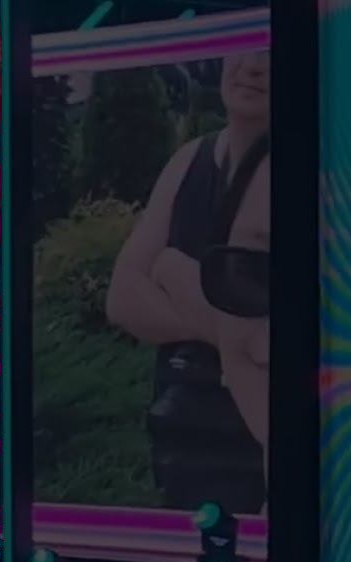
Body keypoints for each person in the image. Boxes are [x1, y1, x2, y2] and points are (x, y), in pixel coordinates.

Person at [105, 52, 270, 513]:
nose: (253, 66)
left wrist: (175, 277)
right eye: (244, 50)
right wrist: (232, 337)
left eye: (270, 54)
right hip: (183, 436)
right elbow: (123, 298)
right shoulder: (190, 160)